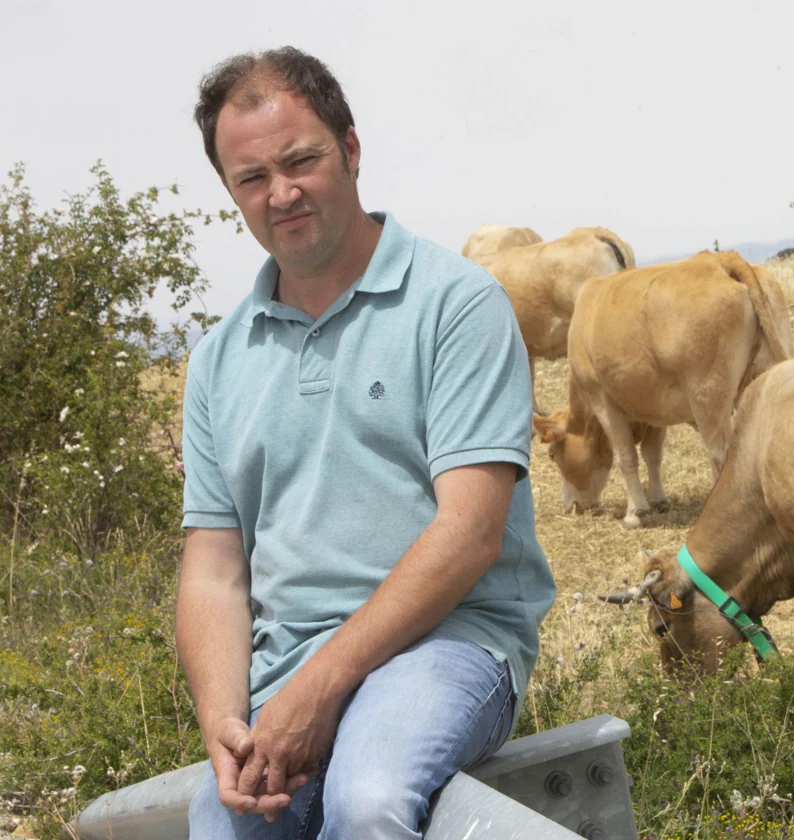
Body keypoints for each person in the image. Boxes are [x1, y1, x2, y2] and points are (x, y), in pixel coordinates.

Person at [177, 47, 555, 839]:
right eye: (252, 179)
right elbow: (214, 568)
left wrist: (320, 690)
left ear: (350, 150)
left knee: (369, 799)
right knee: (221, 825)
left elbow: (469, 534)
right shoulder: (217, 360)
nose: (281, 194)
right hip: (286, 670)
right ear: (230, 193)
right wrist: (223, 722)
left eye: (302, 160)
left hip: (448, 642)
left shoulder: (457, 304)